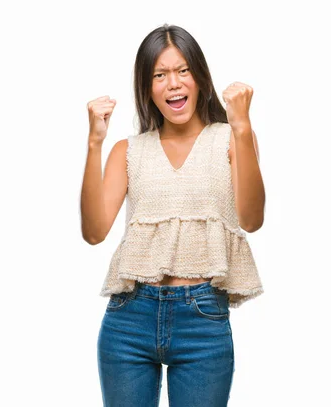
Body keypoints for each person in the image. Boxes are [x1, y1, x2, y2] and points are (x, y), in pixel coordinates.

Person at [80, 23, 265, 406]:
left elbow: (251, 218)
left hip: (203, 322)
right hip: (129, 319)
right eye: (159, 75)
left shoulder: (229, 139)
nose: (173, 84)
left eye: (183, 71)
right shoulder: (127, 151)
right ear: (148, 89)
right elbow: (94, 231)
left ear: (199, 77)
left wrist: (242, 126)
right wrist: (94, 143)